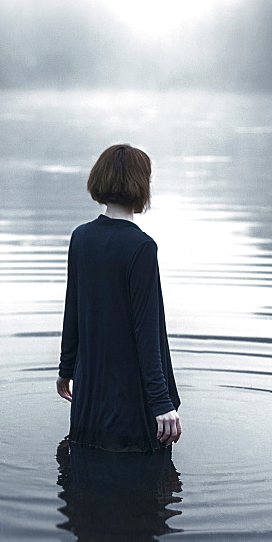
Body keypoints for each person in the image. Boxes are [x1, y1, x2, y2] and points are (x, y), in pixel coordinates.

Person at [56, 144, 182, 452]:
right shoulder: (141, 247)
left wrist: (65, 371)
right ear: (142, 185)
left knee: (83, 487)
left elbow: (72, 311)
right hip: (131, 405)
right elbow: (146, 331)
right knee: (144, 492)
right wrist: (162, 403)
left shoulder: (81, 237)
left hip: (89, 399)